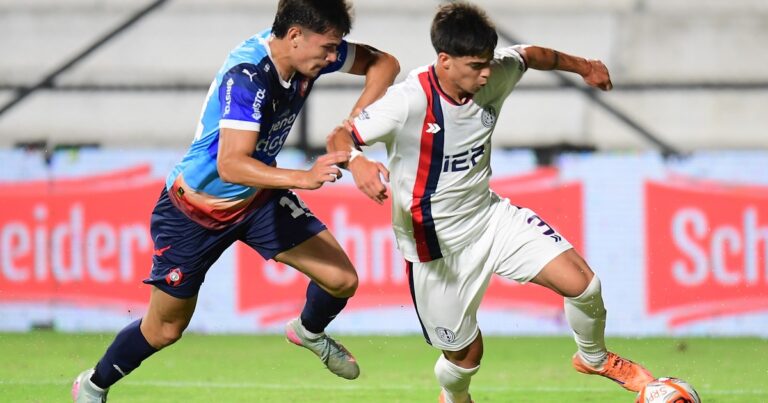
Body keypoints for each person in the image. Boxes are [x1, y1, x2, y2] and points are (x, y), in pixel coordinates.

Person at [71, 0, 399, 401]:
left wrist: (350, 129)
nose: (333, 58)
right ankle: (93, 385)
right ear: (295, 35)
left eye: (336, 49)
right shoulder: (248, 77)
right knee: (164, 330)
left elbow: (385, 64)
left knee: (342, 280)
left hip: (256, 200)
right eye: (328, 48)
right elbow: (230, 164)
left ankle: (308, 331)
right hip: (193, 210)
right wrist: (303, 177)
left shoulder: (307, 52)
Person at [327, 2, 654, 402]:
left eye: (487, 63)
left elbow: (533, 55)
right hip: (435, 249)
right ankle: (454, 397)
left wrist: (585, 65)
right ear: (444, 61)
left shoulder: (496, 73)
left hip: (489, 218)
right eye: (475, 66)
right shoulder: (407, 101)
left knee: (583, 284)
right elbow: (339, 138)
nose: (486, 74)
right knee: (465, 355)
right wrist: (358, 162)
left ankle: (595, 358)